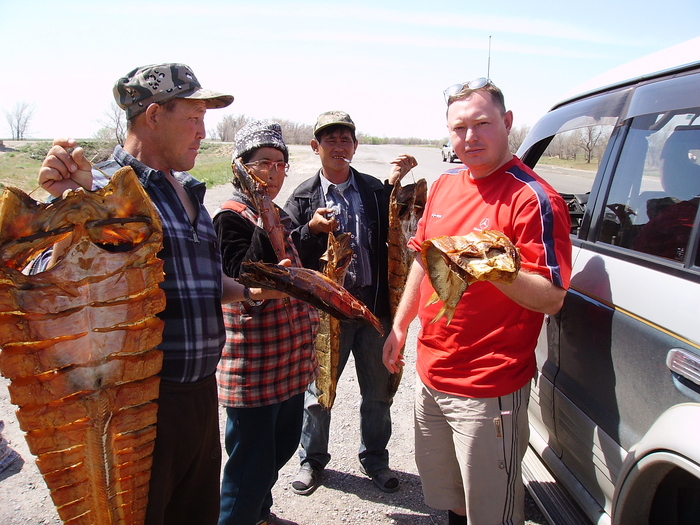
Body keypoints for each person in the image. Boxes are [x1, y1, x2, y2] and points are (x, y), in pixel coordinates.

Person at [37, 63, 259, 525]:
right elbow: (47, 286)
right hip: (135, 403)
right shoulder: (100, 188)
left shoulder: (191, 194)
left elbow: (203, 283)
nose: (203, 131)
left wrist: (266, 290)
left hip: (199, 397)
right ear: (154, 114)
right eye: (193, 118)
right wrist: (62, 209)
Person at [382, 79, 572, 525]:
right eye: (459, 128)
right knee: (452, 500)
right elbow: (422, 260)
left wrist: (493, 267)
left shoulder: (533, 199)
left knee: (491, 513)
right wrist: (400, 325)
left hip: (489, 388)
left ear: (506, 123)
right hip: (432, 376)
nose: (470, 137)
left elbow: (552, 298)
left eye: (482, 124)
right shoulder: (446, 185)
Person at [284, 110, 417, 495]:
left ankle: (375, 459)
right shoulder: (305, 196)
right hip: (328, 316)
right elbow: (288, 249)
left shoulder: (375, 190)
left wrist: (399, 183)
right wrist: (310, 230)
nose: (339, 146)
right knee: (318, 393)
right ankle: (312, 461)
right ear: (316, 147)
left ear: (355, 147)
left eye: (346, 140)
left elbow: (401, 230)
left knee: (379, 392)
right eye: (331, 140)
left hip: (373, 312)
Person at [214, 120, 319, 525]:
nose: (273, 173)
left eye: (280, 164)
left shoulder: (276, 211)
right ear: (242, 167)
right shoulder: (232, 217)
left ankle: (260, 513)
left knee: (283, 445)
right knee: (249, 466)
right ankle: (239, 517)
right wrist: (261, 216)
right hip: (255, 366)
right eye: (263, 163)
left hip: (288, 361)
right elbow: (244, 276)